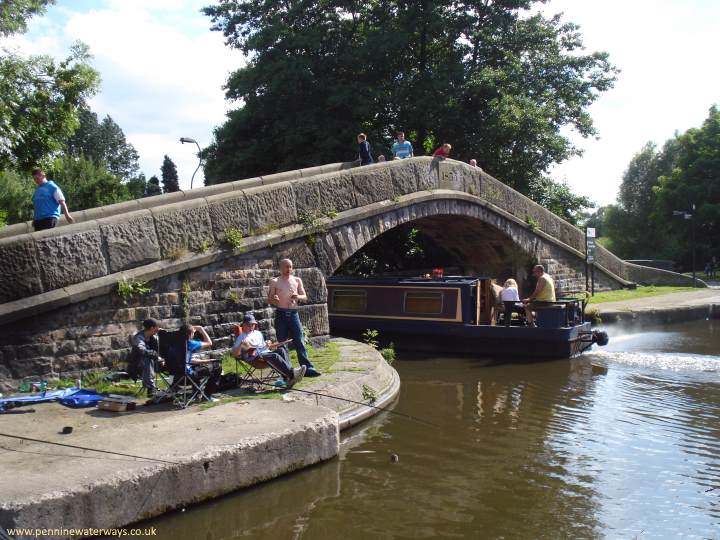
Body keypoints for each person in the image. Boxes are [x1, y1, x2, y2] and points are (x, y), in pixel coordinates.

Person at [268, 258, 321, 377]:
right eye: (286, 267)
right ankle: (287, 371)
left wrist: (298, 296)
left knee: (299, 340)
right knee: (282, 343)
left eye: (290, 266)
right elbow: (269, 299)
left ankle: (308, 368)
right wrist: (274, 299)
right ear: (280, 268)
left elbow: (305, 296)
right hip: (281, 313)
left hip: (293, 314)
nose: (289, 269)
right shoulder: (275, 281)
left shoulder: (297, 280)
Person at [232, 313, 306, 388]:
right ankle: (292, 374)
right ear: (243, 325)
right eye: (249, 325)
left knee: (281, 350)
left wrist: (269, 344)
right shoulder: (241, 337)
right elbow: (235, 354)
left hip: (264, 353)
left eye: (253, 325)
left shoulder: (258, 333)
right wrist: (241, 345)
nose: (251, 327)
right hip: (254, 358)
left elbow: (265, 346)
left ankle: (288, 378)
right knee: (274, 355)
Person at [130, 319, 162, 396]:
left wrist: (161, 358)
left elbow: (161, 349)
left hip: (154, 363)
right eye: (157, 328)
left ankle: (175, 384)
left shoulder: (154, 337)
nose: (158, 329)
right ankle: (150, 388)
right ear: (152, 328)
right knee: (147, 357)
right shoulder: (138, 338)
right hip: (138, 364)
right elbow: (142, 351)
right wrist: (157, 357)